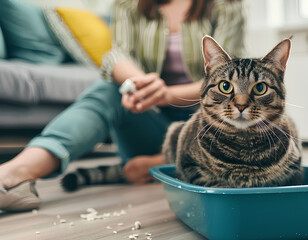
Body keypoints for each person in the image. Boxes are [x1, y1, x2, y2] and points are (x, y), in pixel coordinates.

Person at [0, 0, 244, 211]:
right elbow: (117, 56)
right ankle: (16, 174)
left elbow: (230, 75)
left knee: (237, 109)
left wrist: (166, 94)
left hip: (207, 129)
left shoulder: (225, 6)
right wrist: (140, 85)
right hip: (153, 125)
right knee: (107, 89)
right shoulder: (130, 4)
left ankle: (163, 162)